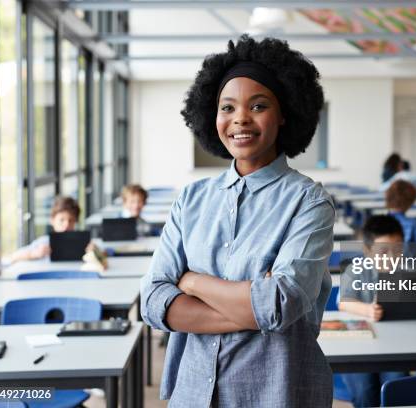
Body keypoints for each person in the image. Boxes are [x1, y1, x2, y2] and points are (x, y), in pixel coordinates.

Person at [140, 35, 334, 407]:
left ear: (283, 114)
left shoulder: (309, 201)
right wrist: (248, 305)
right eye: (227, 107)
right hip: (194, 393)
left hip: (275, 393)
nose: (240, 118)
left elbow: (278, 305)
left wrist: (192, 281)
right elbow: (153, 301)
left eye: (258, 105)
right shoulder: (191, 199)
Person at [338, 215, 416, 407]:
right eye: (383, 252)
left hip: (398, 343)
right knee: (365, 392)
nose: (391, 257)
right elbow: (344, 303)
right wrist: (367, 310)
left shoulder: (412, 268)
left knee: (396, 386)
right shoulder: (353, 270)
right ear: (367, 250)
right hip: (360, 346)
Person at [8, 196, 81, 263]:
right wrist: (34, 254)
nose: (66, 225)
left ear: (76, 222)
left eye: (71, 220)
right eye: (62, 220)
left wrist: (91, 254)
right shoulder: (44, 242)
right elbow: (14, 257)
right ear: (52, 220)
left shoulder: (83, 244)